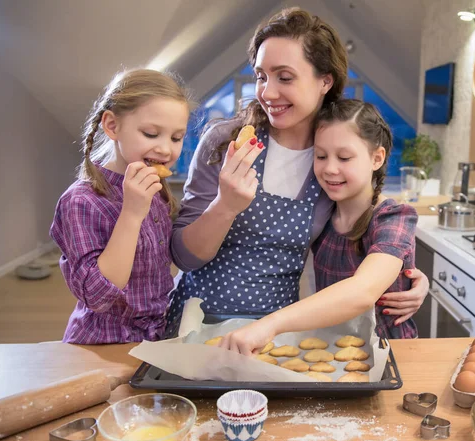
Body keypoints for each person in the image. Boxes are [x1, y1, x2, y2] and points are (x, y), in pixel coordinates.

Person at [165, 7, 428, 343]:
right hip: (195, 325)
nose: (268, 92)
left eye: (284, 77)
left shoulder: (328, 163)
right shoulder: (227, 143)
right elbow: (184, 257)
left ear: (325, 80)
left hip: (278, 336)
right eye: (261, 76)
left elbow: (358, 240)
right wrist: (225, 206)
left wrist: (407, 278)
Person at [219, 99, 418, 353]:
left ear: (377, 158)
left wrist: (270, 324)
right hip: (334, 350)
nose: (330, 168)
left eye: (344, 157)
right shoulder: (322, 214)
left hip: (390, 353)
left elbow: (363, 291)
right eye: (321, 156)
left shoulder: (394, 217)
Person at [50, 69, 191, 344]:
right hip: (103, 345)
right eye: (151, 134)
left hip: (153, 340)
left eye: (176, 138)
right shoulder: (81, 201)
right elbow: (97, 297)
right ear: (112, 126)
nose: (165, 149)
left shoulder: (155, 188)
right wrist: (132, 213)